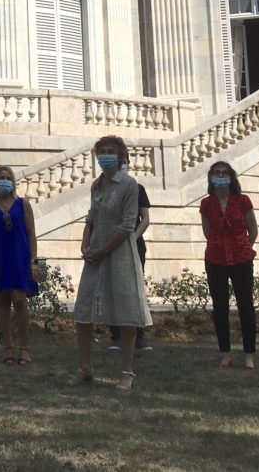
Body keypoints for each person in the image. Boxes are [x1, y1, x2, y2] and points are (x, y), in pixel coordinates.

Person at [69, 135, 152, 391]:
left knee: (126, 312)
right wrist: (85, 244)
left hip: (120, 255)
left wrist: (103, 250)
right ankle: (85, 367)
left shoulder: (129, 185)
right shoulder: (96, 185)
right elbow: (91, 217)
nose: (105, 155)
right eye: (101, 151)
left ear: (120, 156)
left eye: (110, 151)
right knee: (83, 311)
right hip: (95, 255)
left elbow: (129, 224)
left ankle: (127, 371)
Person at [200, 160, 259, 371]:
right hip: (215, 259)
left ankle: (249, 355)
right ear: (211, 177)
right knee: (220, 308)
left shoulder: (242, 200)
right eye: (217, 172)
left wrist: (242, 248)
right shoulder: (207, 204)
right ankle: (225, 353)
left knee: (246, 308)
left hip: (241, 258)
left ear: (232, 177)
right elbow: (207, 232)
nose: (221, 175)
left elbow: (253, 229)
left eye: (225, 172)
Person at [0, 166, 39, 365]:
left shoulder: (23, 204)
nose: (4, 180)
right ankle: (8, 347)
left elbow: (32, 233)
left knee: (20, 299)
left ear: (13, 181)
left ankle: (24, 347)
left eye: (8, 177)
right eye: (1, 177)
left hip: (20, 257)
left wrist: (33, 260)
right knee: (3, 302)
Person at [109, 156, 152, 352]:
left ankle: (139, 336)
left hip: (134, 244)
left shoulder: (138, 188)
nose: (121, 166)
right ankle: (116, 336)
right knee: (113, 289)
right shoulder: (105, 188)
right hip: (110, 244)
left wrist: (132, 239)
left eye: (123, 162)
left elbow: (144, 219)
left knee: (134, 289)